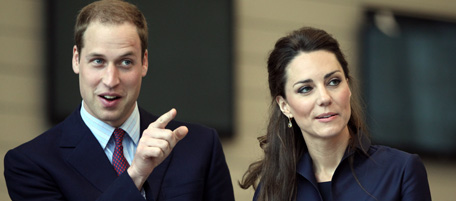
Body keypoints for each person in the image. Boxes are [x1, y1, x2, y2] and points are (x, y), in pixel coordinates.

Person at [4, 1, 234, 200]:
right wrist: (135, 174)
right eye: (98, 61)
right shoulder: (31, 163)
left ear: (144, 62)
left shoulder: (200, 146)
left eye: (125, 62)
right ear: (76, 60)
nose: (111, 80)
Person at [239, 27, 431, 201]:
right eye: (306, 89)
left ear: (348, 86)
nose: (324, 98)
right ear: (284, 106)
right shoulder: (271, 189)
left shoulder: (401, 171)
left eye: (333, 82)